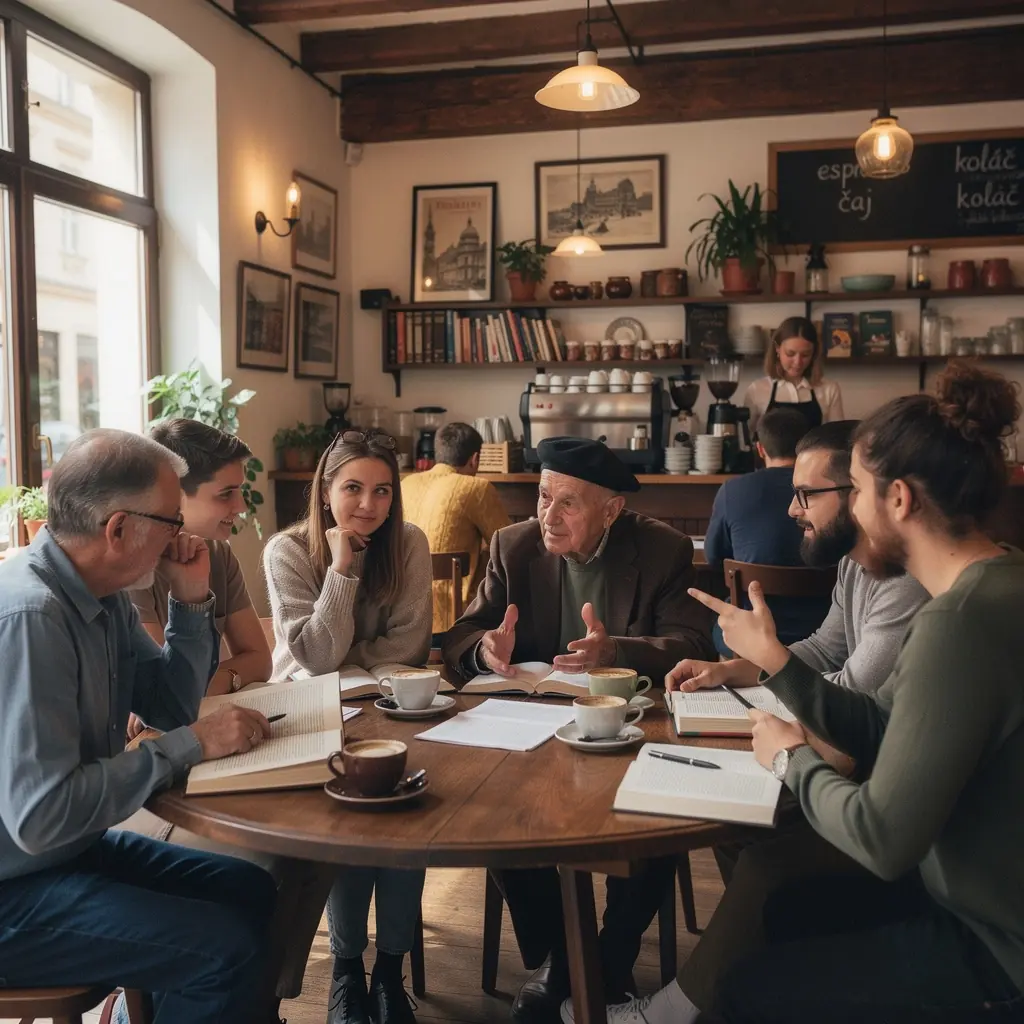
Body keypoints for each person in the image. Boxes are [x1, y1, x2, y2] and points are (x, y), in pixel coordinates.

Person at [671, 362, 1024, 1023]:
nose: (852, 512)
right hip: (970, 901)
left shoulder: (959, 622)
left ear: (899, 500)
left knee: (751, 990)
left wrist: (788, 759)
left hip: (996, 944)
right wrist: (775, 666)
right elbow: (884, 725)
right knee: (779, 904)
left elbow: (881, 836)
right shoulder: (995, 580)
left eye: (855, 490)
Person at [562, 420, 932, 1024]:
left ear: (870, 494)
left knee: (757, 834)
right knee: (737, 822)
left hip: (874, 776)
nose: (791, 510)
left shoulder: (904, 580)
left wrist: (772, 669)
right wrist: (734, 669)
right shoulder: (854, 564)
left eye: (807, 494)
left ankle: (688, 1003)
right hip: (855, 756)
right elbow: (826, 648)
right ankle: (752, 960)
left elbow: (852, 697)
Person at [0, 429, 278, 1023]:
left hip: (61, 859)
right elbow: (41, 817)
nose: (182, 537)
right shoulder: (33, 616)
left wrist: (192, 602)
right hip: (14, 890)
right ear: (119, 528)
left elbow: (168, 711)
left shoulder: (102, 598)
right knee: (223, 951)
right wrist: (194, 744)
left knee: (251, 892)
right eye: (171, 522)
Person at [443, 436, 715, 1022]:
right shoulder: (511, 546)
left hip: (632, 731)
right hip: (531, 730)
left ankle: (610, 957)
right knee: (496, 812)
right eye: (544, 497)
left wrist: (614, 649)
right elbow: (461, 637)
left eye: (569, 503)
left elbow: (693, 644)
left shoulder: (661, 549)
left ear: (612, 510)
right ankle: (564, 958)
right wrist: (485, 650)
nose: (549, 514)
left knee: (660, 815)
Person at [263, 428, 432, 1024]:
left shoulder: (407, 542)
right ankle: (345, 968)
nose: (369, 505)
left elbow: (411, 640)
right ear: (324, 489)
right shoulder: (286, 550)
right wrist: (340, 569)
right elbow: (314, 657)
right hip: (308, 715)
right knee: (350, 824)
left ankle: (389, 972)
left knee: (408, 821)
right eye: (353, 488)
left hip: (388, 706)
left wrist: (354, 664)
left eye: (383, 491)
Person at [129, 419, 271, 696]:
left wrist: (213, 681)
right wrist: (230, 676)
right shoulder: (130, 569)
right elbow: (164, 688)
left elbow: (261, 661)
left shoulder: (218, 554)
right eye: (226, 494)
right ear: (172, 494)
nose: (241, 505)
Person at [704, 406, 828, 653]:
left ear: (760, 448)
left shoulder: (732, 490)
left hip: (751, 631)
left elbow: (714, 557)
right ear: (807, 445)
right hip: (823, 630)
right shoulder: (827, 489)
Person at [401, 421, 510, 633]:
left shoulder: (406, 483)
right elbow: (507, 545)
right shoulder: (476, 487)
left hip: (405, 618)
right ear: (475, 459)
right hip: (456, 620)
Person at [743, 316, 844, 434]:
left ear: (814, 353)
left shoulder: (829, 389)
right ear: (777, 349)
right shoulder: (757, 389)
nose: (798, 362)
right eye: (790, 354)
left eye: (805, 355)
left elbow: (837, 438)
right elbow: (746, 438)